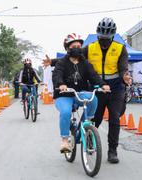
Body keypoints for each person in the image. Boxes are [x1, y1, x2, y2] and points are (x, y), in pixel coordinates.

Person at [44, 18, 132, 163]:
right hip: (97, 88)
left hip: (114, 88)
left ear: (112, 36)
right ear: (98, 35)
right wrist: (53, 63)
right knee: (94, 118)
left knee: (115, 117)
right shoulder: (90, 48)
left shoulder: (120, 48)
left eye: (107, 38)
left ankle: (112, 151)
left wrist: (125, 76)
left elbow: (122, 67)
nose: (104, 41)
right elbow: (70, 56)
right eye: (101, 37)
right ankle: (87, 138)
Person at [53, 33, 110, 153]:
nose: (77, 48)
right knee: (65, 112)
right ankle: (64, 139)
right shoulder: (61, 63)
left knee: (93, 99)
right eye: (74, 46)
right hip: (64, 95)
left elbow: (93, 75)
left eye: (79, 46)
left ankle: (87, 125)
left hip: (80, 93)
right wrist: (61, 84)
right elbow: (57, 74)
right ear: (68, 48)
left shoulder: (85, 63)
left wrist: (102, 84)